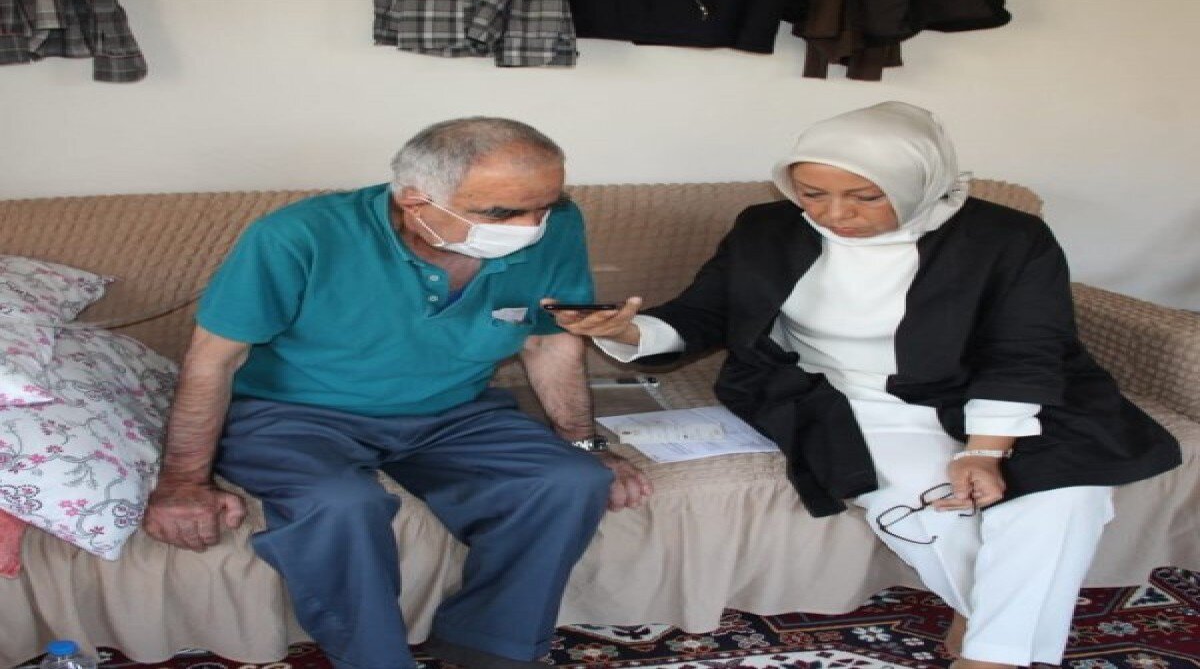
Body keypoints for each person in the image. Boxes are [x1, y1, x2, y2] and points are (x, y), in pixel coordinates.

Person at [546, 102, 1181, 669]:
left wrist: (986, 449)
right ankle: (992, 641)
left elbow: (1025, 348)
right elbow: (704, 314)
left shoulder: (1007, 238)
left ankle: (987, 651)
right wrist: (629, 332)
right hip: (842, 395)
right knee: (925, 505)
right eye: (811, 193)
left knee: (1066, 496)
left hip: (993, 390)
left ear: (918, 181)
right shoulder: (767, 228)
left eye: (864, 196)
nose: (834, 214)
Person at [143, 117, 653, 669]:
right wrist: (183, 482)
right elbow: (213, 359)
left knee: (568, 481)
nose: (531, 226)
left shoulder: (556, 228)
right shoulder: (297, 236)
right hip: (293, 413)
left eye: (545, 205)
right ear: (416, 202)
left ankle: (489, 648)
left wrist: (587, 445)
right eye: (501, 213)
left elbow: (548, 342)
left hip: (453, 409)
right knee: (341, 504)